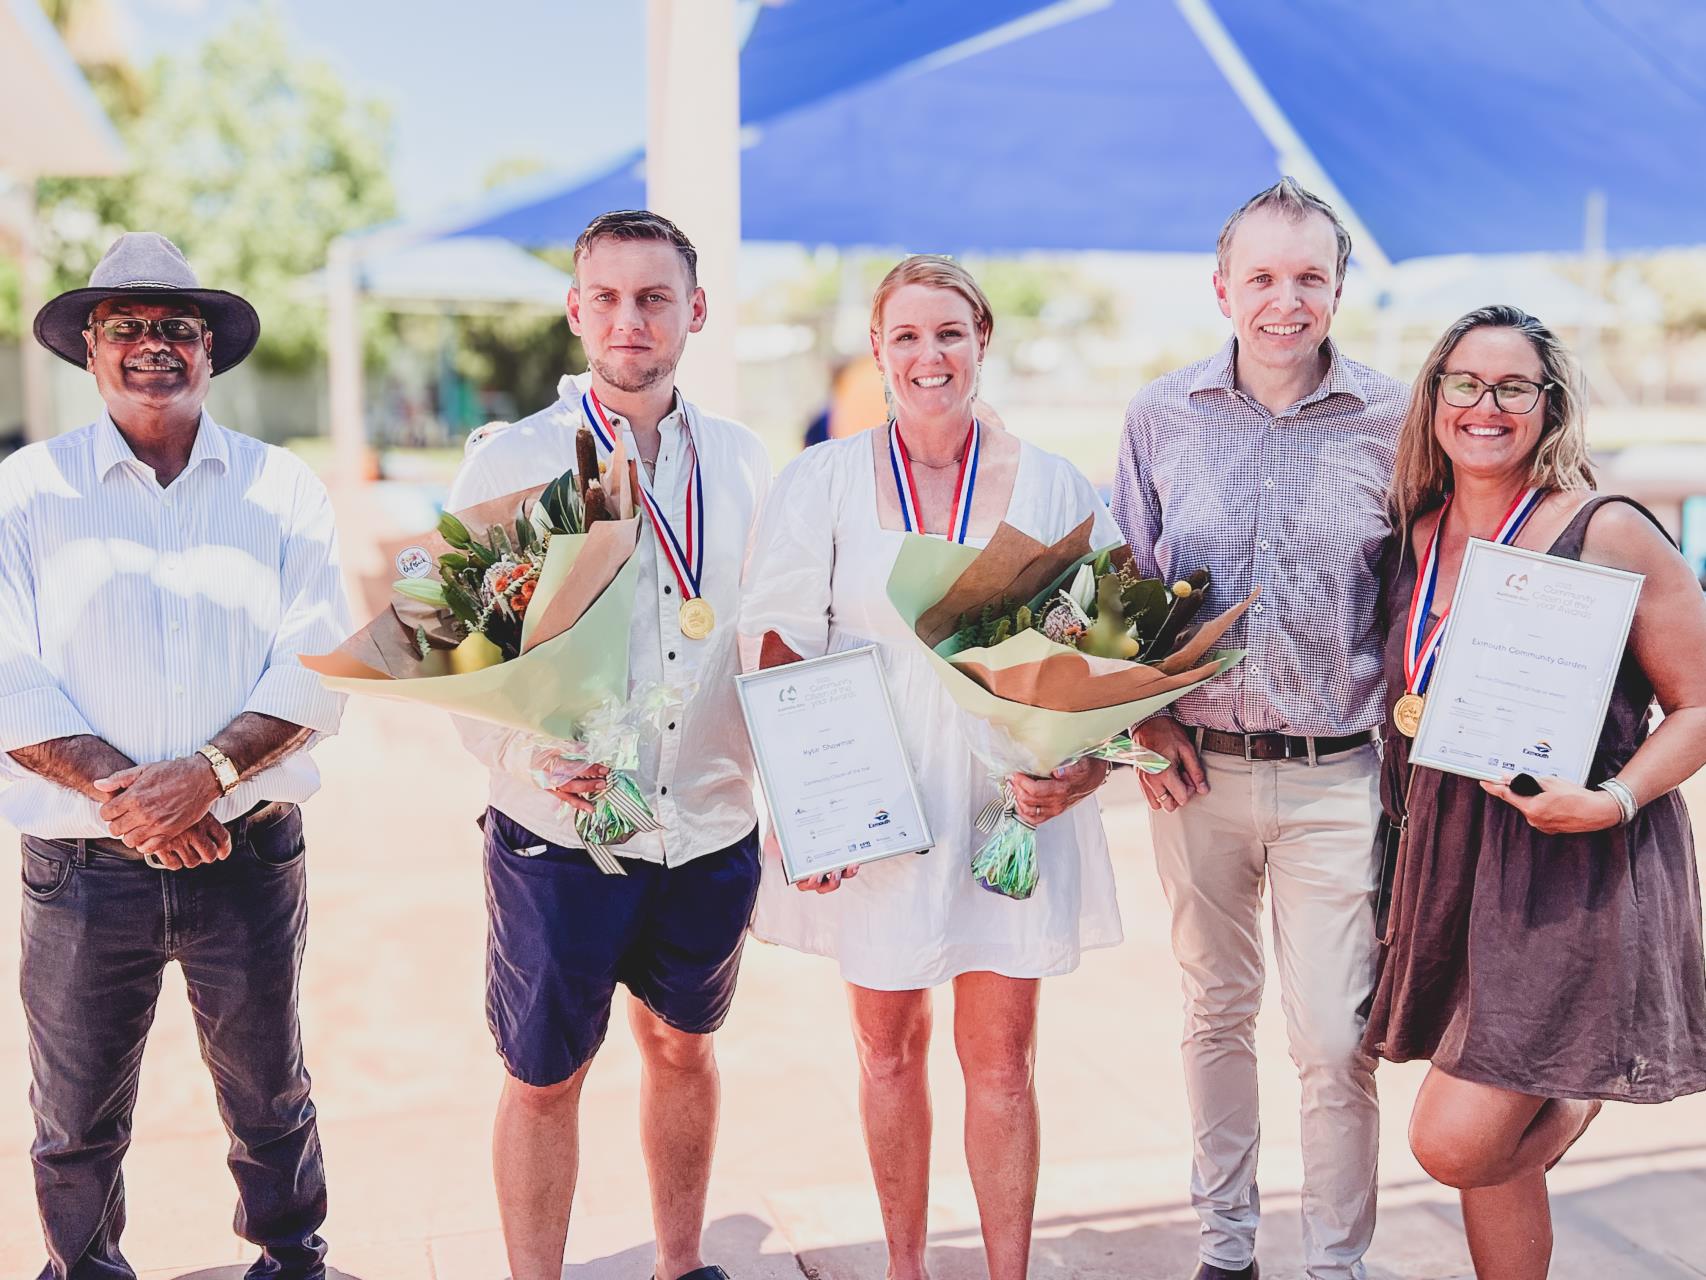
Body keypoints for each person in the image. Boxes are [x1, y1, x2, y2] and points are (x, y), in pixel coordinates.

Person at [740, 255, 1120, 1280]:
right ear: (875, 351)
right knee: (886, 1049)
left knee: (1000, 1064)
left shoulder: (1052, 483)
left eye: (948, 332)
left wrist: (1072, 770)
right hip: (871, 800)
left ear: (981, 342)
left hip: (1007, 803)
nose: (927, 355)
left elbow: (1114, 655)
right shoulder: (818, 483)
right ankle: (903, 1268)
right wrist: (799, 804)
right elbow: (773, 646)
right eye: (904, 336)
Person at [0, 232, 351, 1280]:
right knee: (73, 1114)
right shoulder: (24, 490)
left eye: (176, 328)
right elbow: (6, 673)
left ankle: (292, 1261)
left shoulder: (281, 489)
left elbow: (322, 661)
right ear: (91, 350)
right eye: (128, 328)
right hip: (79, 872)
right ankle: (84, 1269)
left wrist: (204, 775)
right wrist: (140, 800)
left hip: (244, 854)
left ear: (208, 350)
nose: (153, 345)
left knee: (268, 1094)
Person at [446, 210, 772, 1280]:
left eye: (654, 297)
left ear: (696, 311)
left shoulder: (742, 463)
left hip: (706, 817)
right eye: (607, 297)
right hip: (557, 828)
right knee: (544, 1072)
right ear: (574, 308)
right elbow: (456, 651)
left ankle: (681, 1264)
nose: (629, 318)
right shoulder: (517, 458)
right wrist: (540, 759)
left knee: (683, 1044)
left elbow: (779, 642)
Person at [1365, 304, 1706, 1278]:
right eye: (1462, 383)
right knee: (1487, 1155)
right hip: (1448, 865)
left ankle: (1574, 1089)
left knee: (1457, 1139)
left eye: (1511, 386)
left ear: (1546, 403)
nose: (1485, 405)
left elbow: (1695, 706)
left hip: (1567, 861)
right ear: (1431, 397)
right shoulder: (1411, 535)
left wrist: (1612, 800)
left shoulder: (1607, 531)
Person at [1110, 179, 1409, 1280]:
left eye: (1308, 278)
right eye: (1263, 278)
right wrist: (1144, 723)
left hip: (1340, 777)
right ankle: (1224, 1250)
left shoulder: (1394, 417)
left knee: (1334, 1038)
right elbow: (1125, 587)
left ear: (1337, 286)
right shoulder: (1157, 417)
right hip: (1197, 775)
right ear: (1221, 287)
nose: (1284, 301)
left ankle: (1336, 1263)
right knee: (1213, 1012)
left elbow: (1416, 592)